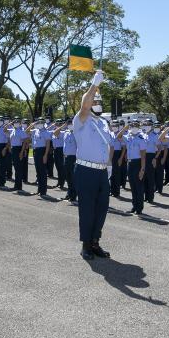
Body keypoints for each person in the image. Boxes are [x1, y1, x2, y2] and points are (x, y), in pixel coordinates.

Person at [73, 73, 113, 260]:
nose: (97, 102)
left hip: (102, 171)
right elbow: (85, 105)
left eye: (99, 100)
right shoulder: (81, 119)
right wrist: (94, 85)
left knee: (102, 208)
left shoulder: (105, 123)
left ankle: (95, 241)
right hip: (86, 170)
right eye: (94, 99)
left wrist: (109, 165)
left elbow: (109, 145)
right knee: (87, 209)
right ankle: (85, 245)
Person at [118, 120, 146, 214]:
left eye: (136, 125)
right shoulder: (128, 136)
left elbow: (143, 155)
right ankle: (134, 206)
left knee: (139, 187)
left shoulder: (141, 138)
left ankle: (139, 208)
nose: (134, 127)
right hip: (130, 164)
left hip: (138, 163)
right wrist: (126, 127)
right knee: (133, 186)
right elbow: (119, 136)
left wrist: (142, 169)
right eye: (132, 125)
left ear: (138, 127)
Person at [26, 117, 51, 196]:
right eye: (38, 122)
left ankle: (43, 191)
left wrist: (45, 155)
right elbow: (26, 131)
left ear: (43, 123)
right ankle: (39, 189)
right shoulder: (35, 131)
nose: (39, 124)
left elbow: (48, 144)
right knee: (38, 172)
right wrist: (32, 124)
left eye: (41, 122)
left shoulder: (46, 132)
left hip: (42, 151)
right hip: (36, 151)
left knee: (43, 172)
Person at [9, 116, 28, 191]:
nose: (16, 123)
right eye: (15, 122)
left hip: (19, 149)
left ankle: (18, 186)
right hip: (14, 149)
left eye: (17, 122)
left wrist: (22, 152)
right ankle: (16, 185)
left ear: (20, 123)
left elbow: (25, 141)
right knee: (16, 168)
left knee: (18, 169)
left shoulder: (21, 131)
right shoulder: (13, 130)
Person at [108, 119, 124, 197]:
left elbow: (124, 147)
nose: (114, 127)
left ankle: (117, 192)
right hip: (111, 154)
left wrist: (121, 158)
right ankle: (112, 190)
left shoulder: (121, 135)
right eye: (113, 126)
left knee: (117, 174)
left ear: (118, 126)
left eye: (116, 126)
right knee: (111, 174)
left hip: (118, 154)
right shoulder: (110, 134)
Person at [51, 119, 66, 189]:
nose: (57, 125)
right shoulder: (54, 131)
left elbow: (55, 133)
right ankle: (59, 182)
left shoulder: (63, 132)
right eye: (57, 124)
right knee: (57, 168)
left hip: (61, 150)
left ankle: (62, 184)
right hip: (56, 150)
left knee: (61, 168)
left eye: (59, 124)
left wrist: (61, 126)